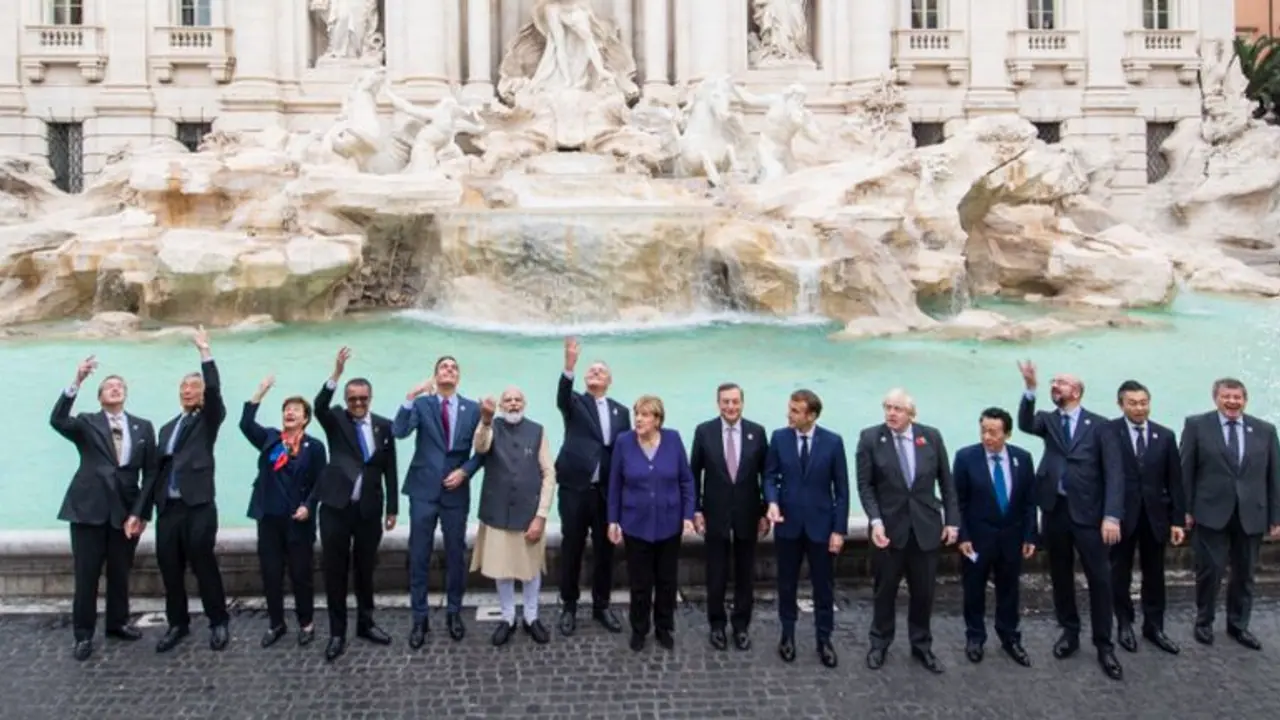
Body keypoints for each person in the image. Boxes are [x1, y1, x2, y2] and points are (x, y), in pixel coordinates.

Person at [1016, 360, 1124, 680]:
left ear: (1076, 391)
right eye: (1053, 382)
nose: (1055, 386)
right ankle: (1069, 631)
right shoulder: (1047, 420)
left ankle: (1104, 643)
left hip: (1090, 514)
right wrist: (1030, 388)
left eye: (1060, 382)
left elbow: (1114, 474)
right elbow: (1024, 423)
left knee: (1100, 579)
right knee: (1060, 575)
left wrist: (1112, 515)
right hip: (1055, 511)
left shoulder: (1101, 426)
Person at [129, 327, 231, 654]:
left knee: (204, 564)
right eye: (183, 388)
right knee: (170, 569)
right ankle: (178, 624)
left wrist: (205, 352)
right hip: (168, 509)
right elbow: (154, 473)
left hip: (199, 505)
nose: (188, 391)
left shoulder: (209, 419)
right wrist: (140, 513)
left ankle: (218, 621)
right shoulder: (167, 428)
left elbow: (214, 390)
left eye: (193, 387)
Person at [49, 355, 156, 661]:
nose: (115, 388)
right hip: (88, 509)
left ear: (126, 394)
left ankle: (117, 623)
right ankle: (83, 634)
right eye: (109, 386)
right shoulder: (86, 422)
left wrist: (140, 513)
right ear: (99, 397)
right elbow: (57, 420)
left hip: (125, 512)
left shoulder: (143, 427)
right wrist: (77, 381)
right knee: (87, 575)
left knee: (121, 572)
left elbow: (150, 474)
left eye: (120, 385)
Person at [856, 389, 959, 673]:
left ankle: (922, 645)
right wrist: (875, 521)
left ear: (911, 413)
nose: (891, 413)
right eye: (887, 407)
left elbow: (946, 482)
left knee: (924, 592)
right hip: (889, 530)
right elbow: (865, 486)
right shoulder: (870, 438)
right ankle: (879, 643)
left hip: (925, 528)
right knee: (884, 591)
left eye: (897, 409)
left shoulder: (931, 437)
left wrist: (952, 521)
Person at [1180, 377, 1280, 650]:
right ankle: (1204, 622)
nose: (1232, 402)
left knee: (1245, 574)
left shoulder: (1265, 430)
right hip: (1210, 512)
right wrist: (1185, 510)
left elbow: (1274, 477)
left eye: (1237, 397)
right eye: (1227, 397)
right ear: (1216, 398)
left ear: (1245, 400)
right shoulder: (1197, 426)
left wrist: (1276, 517)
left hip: (1251, 514)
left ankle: (1238, 625)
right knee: (1209, 572)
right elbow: (1186, 471)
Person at [313, 346, 398, 661]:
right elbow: (319, 406)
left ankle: (366, 623)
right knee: (334, 571)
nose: (358, 404)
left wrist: (392, 508)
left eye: (363, 399)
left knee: (365, 570)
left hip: (368, 511)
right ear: (346, 400)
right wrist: (336, 374)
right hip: (335, 509)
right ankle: (337, 632)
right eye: (353, 399)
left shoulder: (384, 426)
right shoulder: (336, 419)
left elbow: (390, 468)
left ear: (370, 398)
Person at [394, 355, 483, 647]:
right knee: (419, 554)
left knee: (456, 554)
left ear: (459, 377)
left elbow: (482, 451)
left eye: (454, 367)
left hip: (455, 491)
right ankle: (419, 618)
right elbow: (399, 432)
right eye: (444, 367)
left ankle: (454, 612)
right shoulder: (422, 405)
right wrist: (411, 396)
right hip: (423, 490)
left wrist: (465, 471)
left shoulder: (473, 409)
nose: (449, 370)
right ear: (435, 375)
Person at [763, 389, 849, 669]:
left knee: (823, 587)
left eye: (795, 411)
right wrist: (772, 502)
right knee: (786, 584)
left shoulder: (833, 442)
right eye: (790, 408)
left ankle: (824, 639)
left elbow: (842, 490)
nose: (789, 415)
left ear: (811, 415)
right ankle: (787, 635)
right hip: (788, 524)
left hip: (821, 527)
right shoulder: (779, 438)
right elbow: (770, 476)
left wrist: (839, 530)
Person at [240, 375, 326, 649]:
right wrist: (259, 392)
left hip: (298, 521)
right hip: (269, 518)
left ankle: (306, 623)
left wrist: (309, 506)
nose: (290, 413)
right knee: (271, 574)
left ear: (305, 418)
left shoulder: (315, 447)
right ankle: (276, 623)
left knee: (301, 575)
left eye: (296, 410)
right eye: (286, 409)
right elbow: (245, 424)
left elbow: (320, 483)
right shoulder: (270, 438)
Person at [606, 395, 696, 652]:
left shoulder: (673, 439)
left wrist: (688, 515)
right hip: (636, 524)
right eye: (637, 414)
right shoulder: (624, 442)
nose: (638, 419)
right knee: (640, 583)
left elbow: (686, 480)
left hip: (669, 524)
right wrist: (612, 520)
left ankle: (664, 627)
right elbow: (615, 484)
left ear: (657, 420)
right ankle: (639, 628)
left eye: (645, 415)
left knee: (667, 581)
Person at [555, 336, 631, 636]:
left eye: (602, 371)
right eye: (592, 370)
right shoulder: (574, 403)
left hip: (605, 493)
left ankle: (602, 605)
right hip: (575, 489)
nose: (596, 372)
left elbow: (624, 452)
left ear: (609, 381)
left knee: (605, 551)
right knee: (571, 548)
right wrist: (569, 366)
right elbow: (562, 396)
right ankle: (569, 606)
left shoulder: (621, 411)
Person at [471, 387, 556, 647]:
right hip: (497, 511)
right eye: (507, 400)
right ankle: (507, 617)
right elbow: (480, 446)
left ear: (524, 403)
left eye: (518, 399)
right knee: (502, 569)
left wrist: (541, 515)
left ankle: (532, 616)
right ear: (501, 405)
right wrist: (485, 420)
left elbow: (548, 473)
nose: (513, 404)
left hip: (529, 513)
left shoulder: (538, 430)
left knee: (531, 569)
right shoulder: (490, 427)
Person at [953, 407, 1037, 667]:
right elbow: (958, 502)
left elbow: (1029, 502)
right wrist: (963, 536)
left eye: (993, 432)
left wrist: (1030, 536)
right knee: (974, 589)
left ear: (1007, 434)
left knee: (1009, 590)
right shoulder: (966, 458)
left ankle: (1009, 636)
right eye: (984, 431)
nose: (987, 437)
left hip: (1011, 538)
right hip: (978, 539)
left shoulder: (1023, 458)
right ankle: (975, 637)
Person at [1107, 380, 1185, 655]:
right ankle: (1124, 623)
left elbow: (1175, 481)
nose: (1139, 408)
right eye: (1133, 403)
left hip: (1155, 516)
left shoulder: (1165, 435)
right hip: (1121, 517)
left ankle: (1154, 626)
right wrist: (1106, 516)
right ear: (1121, 405)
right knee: (1119, 573)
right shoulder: (1108, 432)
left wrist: (1177, 520)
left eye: (1143, 403)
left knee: (1155, 575)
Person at [689, 382, 769, 651]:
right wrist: (695, 510)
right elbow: (693, 474)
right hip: (715, 513)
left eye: (735, 401)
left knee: (746, 574)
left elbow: (766, 475)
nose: (731, 407)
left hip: (748, 513)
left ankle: (741, 625)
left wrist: (765, 512)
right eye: (726, 402)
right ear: (718, 404)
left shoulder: (757, 432)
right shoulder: (704, 431)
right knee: (716, 573)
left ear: (742, 403)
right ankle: (717, 625)